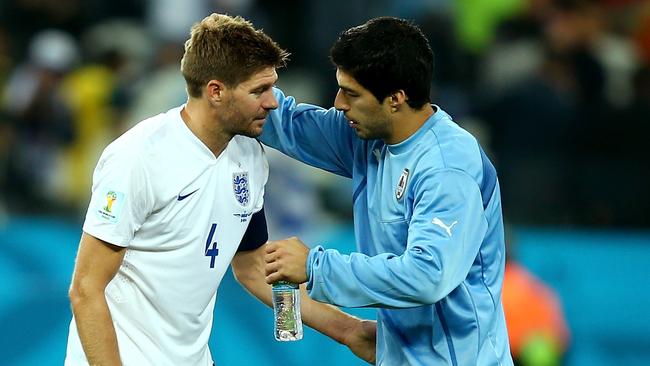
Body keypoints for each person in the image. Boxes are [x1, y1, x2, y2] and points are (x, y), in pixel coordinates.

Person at [65, 13, 375, 366]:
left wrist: (350, 331)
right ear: (215, 91)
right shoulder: (138, 158)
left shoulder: (250, 156)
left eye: (272, 87)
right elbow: (86, 289)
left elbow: (255, 267)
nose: (273, 102)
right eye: (259, 90)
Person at [261, 17, 514, 365]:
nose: (337, 103)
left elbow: (428, 275)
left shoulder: (447, 167)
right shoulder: (369, 135)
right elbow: (286, 124)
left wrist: (317, 267)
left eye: (351, 93)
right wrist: (237, 75)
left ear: (395, 98)